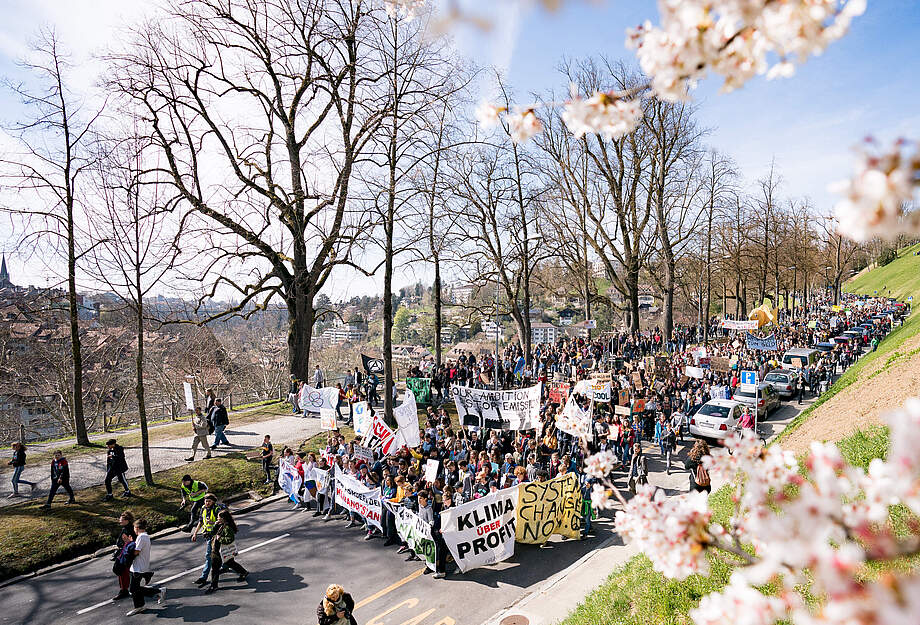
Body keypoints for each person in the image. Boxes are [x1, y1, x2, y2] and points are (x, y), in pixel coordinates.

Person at [125, 518, 166, 616]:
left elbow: (136, 552)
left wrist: (129, 543)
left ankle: (158, 591)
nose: (134, 530)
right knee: (134, 588)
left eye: (134, 528)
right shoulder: (144, 536)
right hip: (136, 566)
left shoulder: (142, 537)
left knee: (133, 589)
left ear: (137, 528)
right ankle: (139, 606)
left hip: (139, 567)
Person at [205, 509, 249, 593]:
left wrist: (220, 538)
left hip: (221, 550)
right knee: (230, 563)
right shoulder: (220, 525)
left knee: (215, 568)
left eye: (218, 517)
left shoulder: (228, 528)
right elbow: (213, 532)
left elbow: (230, 539)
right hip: (216, 549)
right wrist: (215, 525)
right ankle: (243, 572)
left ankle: (214, 586)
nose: (217, 518)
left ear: (223, 518)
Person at [190, 493, 222, 586]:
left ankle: (203, 577)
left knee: (209, 556)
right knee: (218, 553)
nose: (207, 503)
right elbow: (201, 521)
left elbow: (221, 522)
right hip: (207, 534)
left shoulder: (217, 509)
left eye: (209, 501)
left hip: (215, 535)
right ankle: (226, 565)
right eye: (206, 501)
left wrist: (212, 522)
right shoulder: (203, 508)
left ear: (213, 501)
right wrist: (195, 533)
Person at [112, 510, 136, 600]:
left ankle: (124, 590)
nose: (119, 521)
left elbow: (131, 543)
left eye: (121, 520)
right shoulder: (125, 528)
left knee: (123, 571)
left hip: (126, 553)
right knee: (124, 571)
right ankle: (125, 589)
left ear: (127, 520)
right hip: (124, 552)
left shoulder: (130, 530)